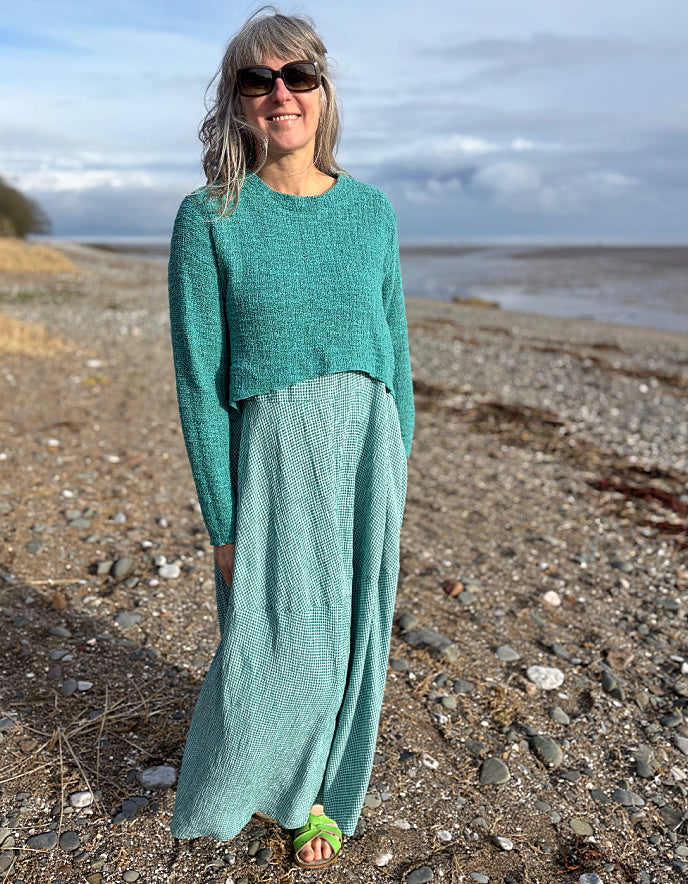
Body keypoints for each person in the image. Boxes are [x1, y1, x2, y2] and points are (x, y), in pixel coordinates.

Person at [167, 5, 414, 870]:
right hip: (271, 459)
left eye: (297, 76)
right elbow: (200, 382)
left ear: (322, 91)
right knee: (280, 649)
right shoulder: (210, 218)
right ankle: (230, 790)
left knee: (353, 641)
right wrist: (222, 524)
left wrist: (402, 458)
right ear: (237, 101)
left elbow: (396, 347)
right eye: (257, 80)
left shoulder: (372, 212)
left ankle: (321, 797)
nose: (280, 94)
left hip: (366, 451)